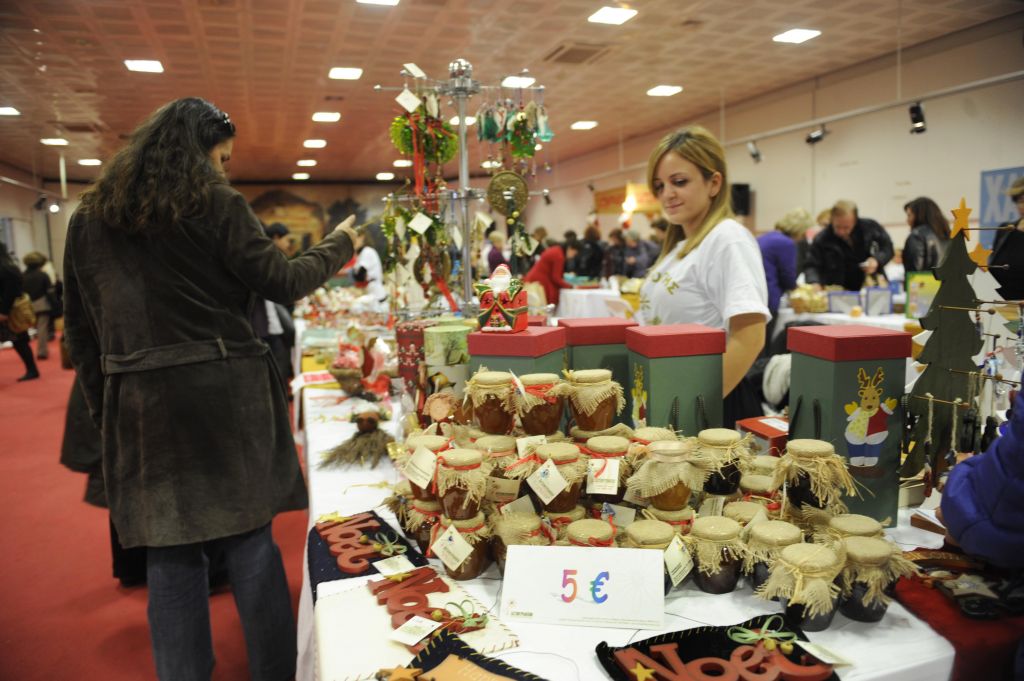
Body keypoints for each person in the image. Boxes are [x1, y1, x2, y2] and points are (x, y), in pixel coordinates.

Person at [63, 97, 357, 681]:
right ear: (200, 152)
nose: (223, 170)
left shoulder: (90, 216)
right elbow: (282, 280)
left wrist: (107, 414)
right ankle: (274, 672)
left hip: (138, 406)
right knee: (250, 543)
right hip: (223, 397)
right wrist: (340, 243)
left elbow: (81, 330)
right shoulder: (214, 203)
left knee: (170, 556)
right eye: (221, 159)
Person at [638, 126, 769, 426]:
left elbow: (750, 336)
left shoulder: (728, 238)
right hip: (674, 395)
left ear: (714, 183)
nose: (667, 194)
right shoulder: (678, 247)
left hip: (712, 404)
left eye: (679, 182)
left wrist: (693, 407)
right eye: (659, 186)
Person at [804, 199, 893, 291]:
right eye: (837, 227)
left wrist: (877, 260)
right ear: (832, 219)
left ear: (855, 221)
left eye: (846, 227)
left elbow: (887, 247)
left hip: (870, 286)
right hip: (837, 290)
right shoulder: (822, 238)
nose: (841, 232)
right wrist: (814, 282)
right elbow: (811, 264)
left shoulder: (869, 227)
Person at [758, 208, 814, 335]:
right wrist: (798, 289)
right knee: (766, 341)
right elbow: (787, 276)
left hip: (758, 295)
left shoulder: (767, 237)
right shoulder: (786, 243)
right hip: (769, 297)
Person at [0, 244, 40, 381]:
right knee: (20, 341)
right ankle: (32, 369)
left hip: (10, 311)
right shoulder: (10, 267)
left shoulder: (5, 269)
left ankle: (32, 370)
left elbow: (10, 292)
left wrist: (4, 312)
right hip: (10, 310)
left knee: (20, 342)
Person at [990, 176, 1024, 300]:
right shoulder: (1005, 229)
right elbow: (993, 267)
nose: (1022, 205)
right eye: (1019, 200)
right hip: (1000, 303)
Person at [902, 196, 950, 272]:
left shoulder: (917, 236)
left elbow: (914, 271)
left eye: (909, 215)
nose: (907, 221)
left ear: (919, 215)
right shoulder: (948, 235)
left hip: (925, 279)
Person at [524, 240, 577, 307]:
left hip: (534, 278)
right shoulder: (559, 256)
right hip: (539, 282)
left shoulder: (556, 250)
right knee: (540, 306)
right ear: (570, 248)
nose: (572, 257)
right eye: (574, 254)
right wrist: (570, 286)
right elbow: (556, 277)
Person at [22, 251, 53, 360]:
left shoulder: (22, 276)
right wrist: (55, 305)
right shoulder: (43, 275)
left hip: (26, 305)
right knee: (42, 329)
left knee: (26, 330)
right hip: (42, 304)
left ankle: (27, 352)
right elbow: (49, 292)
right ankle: (42, 351)